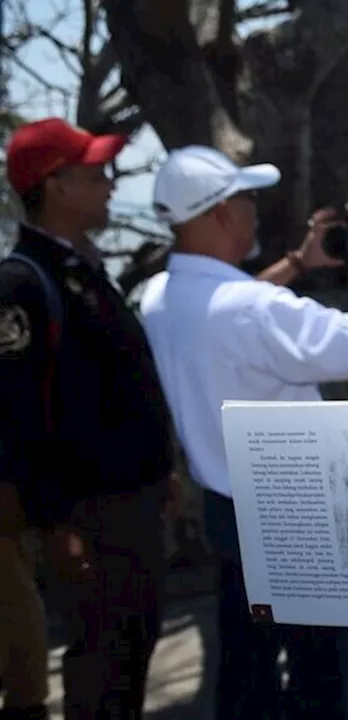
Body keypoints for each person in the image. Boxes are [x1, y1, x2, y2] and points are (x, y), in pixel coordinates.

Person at [137, 144, 348, 719]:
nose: (255, 211)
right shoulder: (256, 310)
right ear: (220, 216)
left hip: (225, 510)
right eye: (246, 201)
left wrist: (297, 263)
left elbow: (226, 305)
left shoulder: (158, 297)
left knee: (246, 669)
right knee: (321, 675)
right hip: (296, 518)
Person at [0, 118, 179, 719]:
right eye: (94, 173)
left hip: (131, 503)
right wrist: (55, 523)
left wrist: (160, 469)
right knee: (101, 667)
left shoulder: (84, 269)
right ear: (55, 186)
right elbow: (21, 418)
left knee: (130, 654)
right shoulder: (26, 283)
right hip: (92, 515)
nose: (109, 184)